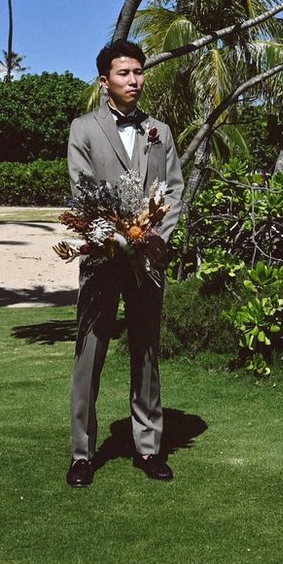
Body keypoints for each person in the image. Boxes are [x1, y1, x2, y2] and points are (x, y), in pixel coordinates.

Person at [65, 39, 184, 488]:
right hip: (102, 259)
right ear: (105, 81)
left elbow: (174, 190)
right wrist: (118, 239)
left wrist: (153, 239)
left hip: (149, 261)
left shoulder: (160, 132)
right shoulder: (83, 129)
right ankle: (82, 453)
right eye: (124, 73)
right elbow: (82, 189)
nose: (134, 80)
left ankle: (149, 447)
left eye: (138, 72)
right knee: (89, 354)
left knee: (147, 351)